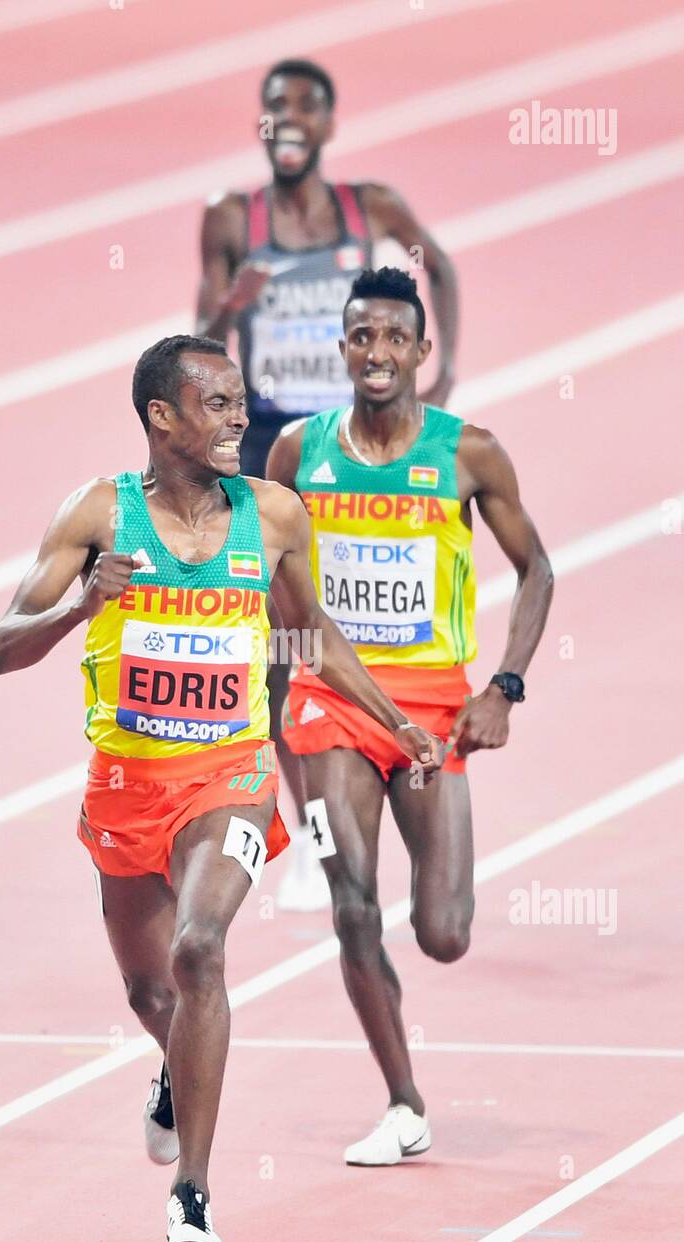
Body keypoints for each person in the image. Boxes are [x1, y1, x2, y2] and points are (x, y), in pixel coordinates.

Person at [0, 334, 445, 1242]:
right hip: (124, 783)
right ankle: (172, 1068)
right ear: (163, 417)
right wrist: (81, 607)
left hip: (228, 773)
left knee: (201, 951)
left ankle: (190, 1193)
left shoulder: (272, 514)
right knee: (150, 988)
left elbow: (308, 631)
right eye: (219, 403)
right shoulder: (98, 514)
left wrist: (396, 724)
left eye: (242, 401)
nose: (241, 417)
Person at [267, 268, 553, 1165]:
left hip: (433, 710)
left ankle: (429, 934)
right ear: (341, 347)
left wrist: (501, 689)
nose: (377, 353)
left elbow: (537, 568)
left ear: (422, 352)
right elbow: (272, 594)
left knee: (443, 936)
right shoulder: (296, 455)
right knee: (353, 908)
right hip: (331, 704)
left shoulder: (469, 453)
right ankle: (403, 1102)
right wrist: (273, 714)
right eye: (361, 337)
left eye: (395, 339)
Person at [197, 57, 459, 909]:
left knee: (348, 615)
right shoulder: (232, 217)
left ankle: (364, 786)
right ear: (263, 124)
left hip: (353, 440)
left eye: (307, 107)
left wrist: (444, 373)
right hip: (274, 442)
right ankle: (312, 839)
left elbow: (439, 268)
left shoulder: (368, 208)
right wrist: (229, 307)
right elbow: (199, 335)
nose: (290, 120)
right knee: (281, 645)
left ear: (330, 125)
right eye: (276, 107)